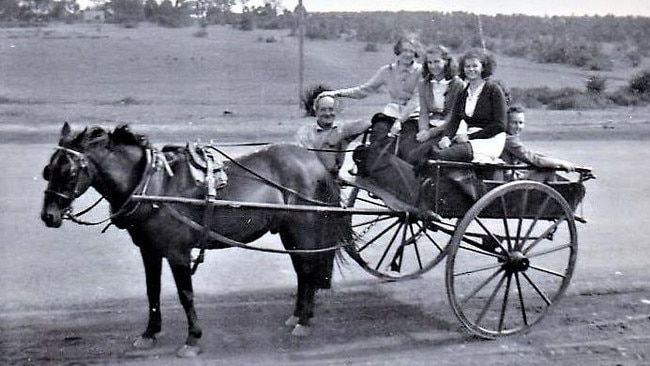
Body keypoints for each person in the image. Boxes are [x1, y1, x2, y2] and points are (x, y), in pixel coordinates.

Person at [407, 49, 508, 164]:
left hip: (489, 141)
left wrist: (470, 137)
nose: (470, 69)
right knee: (423, 152)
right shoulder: (464, 92)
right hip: (468, 139)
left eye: (475, 66)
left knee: (439, 155)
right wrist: (446, 137)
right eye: (467, 66)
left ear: (483, 68)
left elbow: (500, 125)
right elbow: (455, 120)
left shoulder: (493, 90)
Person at [318, 37, 423, 143]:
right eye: (405, 50)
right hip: (392, 113)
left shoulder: (421, 71)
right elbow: (363, 90)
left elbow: (416, 99)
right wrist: (336, 93)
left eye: (411, 51)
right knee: (378, 135)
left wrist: (400, 121)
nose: (408, 54)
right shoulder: (387, 71)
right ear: (398, 51)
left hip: (415, 114)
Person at [399, 44, 465, 163]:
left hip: (449, 128)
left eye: (436, 62)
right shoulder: (424, 84)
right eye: (429, 63)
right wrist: (423, 130)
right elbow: (423, 112)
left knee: (418, 154)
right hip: (430, 124)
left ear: (446, 62)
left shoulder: (457, 84)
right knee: (405, 147)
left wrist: (430, 133)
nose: (432, 66)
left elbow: (453, 117)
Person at [296, 94, 371, 175]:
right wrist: (326, 141)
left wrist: (338, 137)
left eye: (331, 109)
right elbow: (307, 160)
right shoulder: (305, 132)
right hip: (310, 178)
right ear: (316, 112)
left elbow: (367, 123)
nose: (328, 113)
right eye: (323, 110)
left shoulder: (341, 129)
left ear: (335, 111)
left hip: (333, 180)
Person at [501, 105, 576, 180]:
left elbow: (531, 155)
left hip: (512, 173)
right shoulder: (509, 139)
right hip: (509, 178)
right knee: (548, 171)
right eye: (514, 123)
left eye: (521, 123)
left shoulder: (508, 138)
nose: (518, 127)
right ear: (506, 123)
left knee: (547, 168)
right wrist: (561, 163)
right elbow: (534, 159)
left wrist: (551, 161)